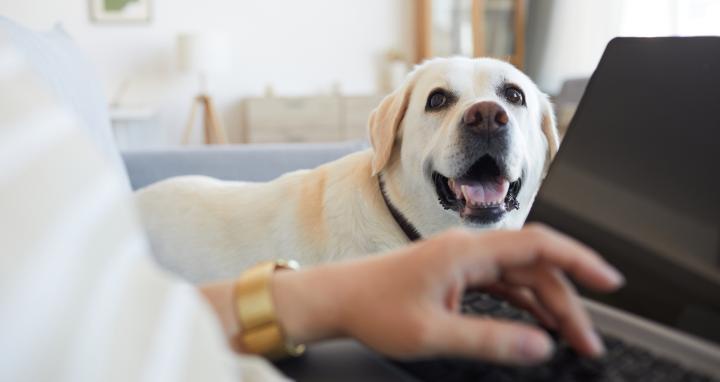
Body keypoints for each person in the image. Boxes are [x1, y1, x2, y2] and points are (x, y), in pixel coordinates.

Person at [0, 35, 623, 382]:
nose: (485, 116)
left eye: (511, 99)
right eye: (442, 102)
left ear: (546, 148)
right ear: (392, 139)